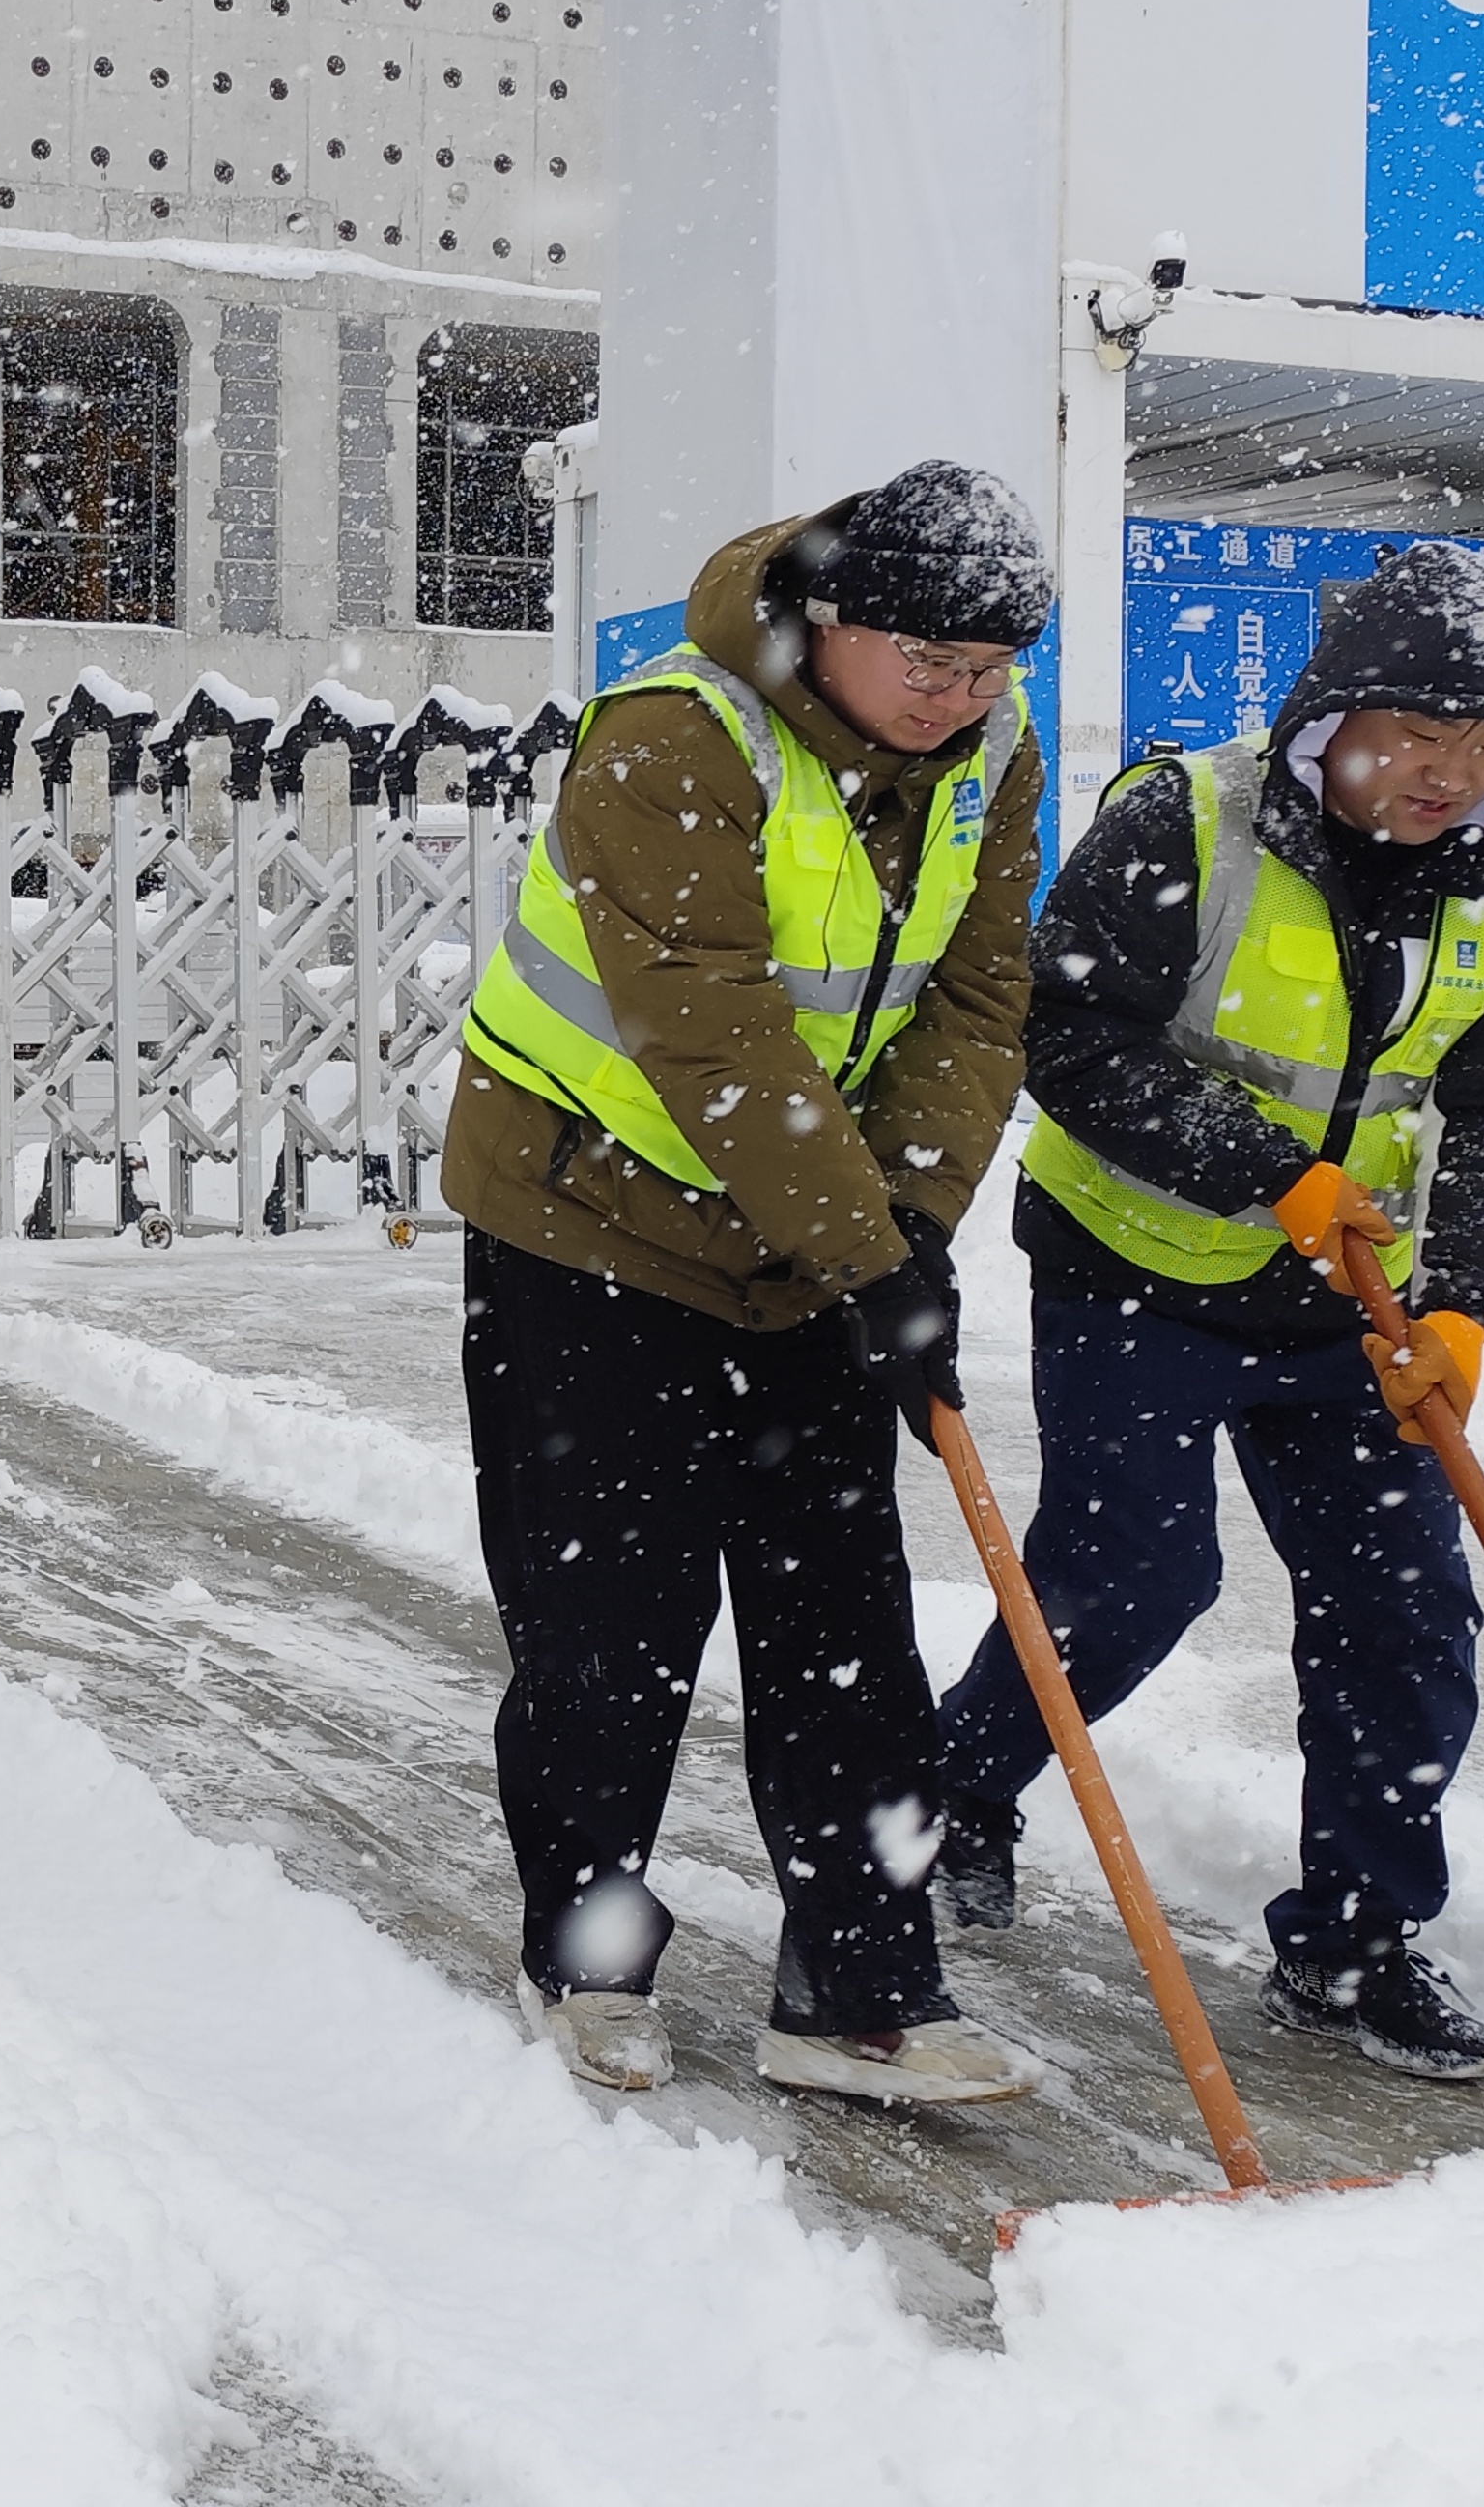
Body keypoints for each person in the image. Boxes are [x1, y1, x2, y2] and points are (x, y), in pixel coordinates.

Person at [443, 460, 1052, 2104]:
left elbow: (979, 1005)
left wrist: (908, 1231)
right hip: (594, 1230)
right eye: (926, 663)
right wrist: (873, 1253)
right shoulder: (673, 737)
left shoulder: (989, 752)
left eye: (992, 668)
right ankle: (588, 1959)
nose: (960, 698)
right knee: (608, 1628)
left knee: (846, 1632)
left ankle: (861, 1992)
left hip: (811, 1244)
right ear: (823, 620)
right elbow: (707, 1024)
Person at [932, 543, 1484, 2082]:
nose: (1454, 775)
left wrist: (1474, 1305)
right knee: (1132, 1580)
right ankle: (960, 1789)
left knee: (1405, 1609)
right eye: (1424, 732)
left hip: (1357, 1305)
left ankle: (1356, 1939)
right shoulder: (1189, 819)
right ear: (1339, 710)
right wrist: (1268, 1170)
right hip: (1137, 1271)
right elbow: (1070, 1038)